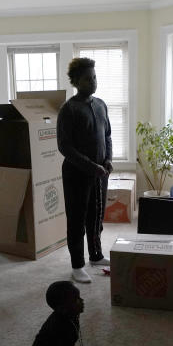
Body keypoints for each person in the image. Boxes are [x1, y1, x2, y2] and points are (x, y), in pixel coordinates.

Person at [57, 57, 112, 284]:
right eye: (88, 79)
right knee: (77, 220)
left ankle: (96, 255)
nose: (93, 82)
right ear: (76, 81)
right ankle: (77, 265)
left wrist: (108, 160)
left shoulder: (100, 104)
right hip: (77, 175)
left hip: (100, 173)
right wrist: (92, 167)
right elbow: (65, 147)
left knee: (97, 216)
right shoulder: (69, 109)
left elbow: (107, 136)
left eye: (95, 77)